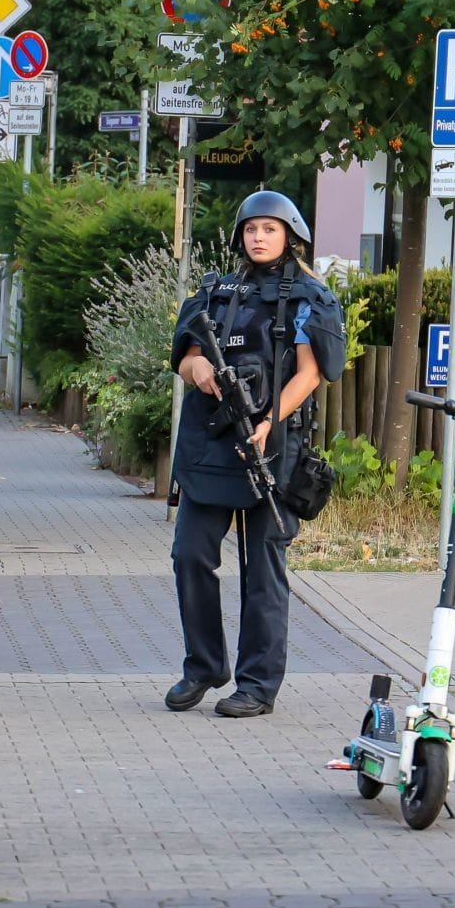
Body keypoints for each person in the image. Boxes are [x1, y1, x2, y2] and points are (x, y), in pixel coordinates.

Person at [164, 191, 346, 717]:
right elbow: (187, 359)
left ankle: (257, 686)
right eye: (251, 229)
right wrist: (201, 374)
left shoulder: (309, 294)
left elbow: (312, 372)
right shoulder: (216, 291)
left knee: (262, 567)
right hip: (211, 445)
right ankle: (203, 666)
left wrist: (268, 422)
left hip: (274, 446)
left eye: (269, 228)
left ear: (290, 234)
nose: (259, 237)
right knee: (190, 553)